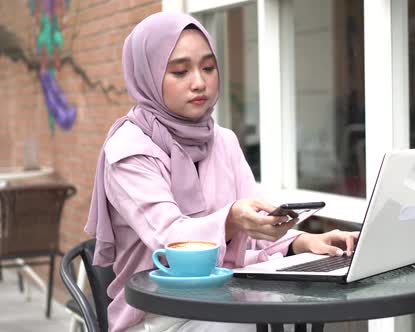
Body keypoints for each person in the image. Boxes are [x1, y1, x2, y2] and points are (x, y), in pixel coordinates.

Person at [84, 12, 359, 332]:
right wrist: (231, 220)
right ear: (147, 76)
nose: (199, 82)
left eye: (209, 67)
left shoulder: (222, 140)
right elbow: (171, 243)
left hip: (229, 297)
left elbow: (254, 230)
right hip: (159, 313)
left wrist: (304, 243)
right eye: (180, 71)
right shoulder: (129, 151)